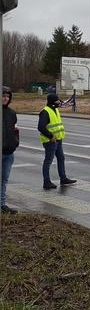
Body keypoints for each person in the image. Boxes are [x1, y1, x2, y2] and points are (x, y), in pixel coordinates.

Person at [38, 93, 77, 190]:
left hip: (58, 140)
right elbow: (41, 127)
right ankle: (46, 182)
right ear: (51, 102)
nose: (58, 102)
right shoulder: (45, 112)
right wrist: (50, 136)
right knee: (48, 161)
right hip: (50, 141)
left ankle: (63, 178)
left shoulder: (55, 110)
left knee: (61, 158)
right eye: (57, 101)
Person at [2, 86, 19, 214]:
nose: (5, 98)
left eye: (7, 96)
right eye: (3, 96)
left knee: (4, 180)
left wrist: (15, 143)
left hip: (8, 152)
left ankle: (2, 205)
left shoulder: (12, 113)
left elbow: (15, 130)